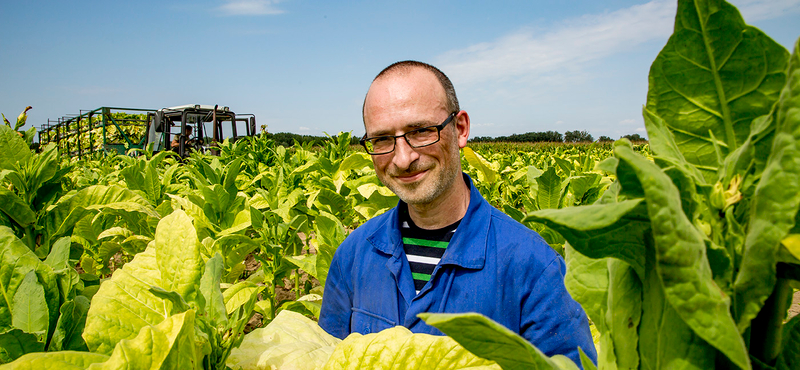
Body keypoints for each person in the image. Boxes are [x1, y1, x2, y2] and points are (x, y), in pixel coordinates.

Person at [319, 61, 597, 366]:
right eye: (383, 139)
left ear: (460, 129)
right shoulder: (353, 255)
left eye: (422, 131)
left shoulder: (535, 268)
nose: (402, 158)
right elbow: (326, 358)